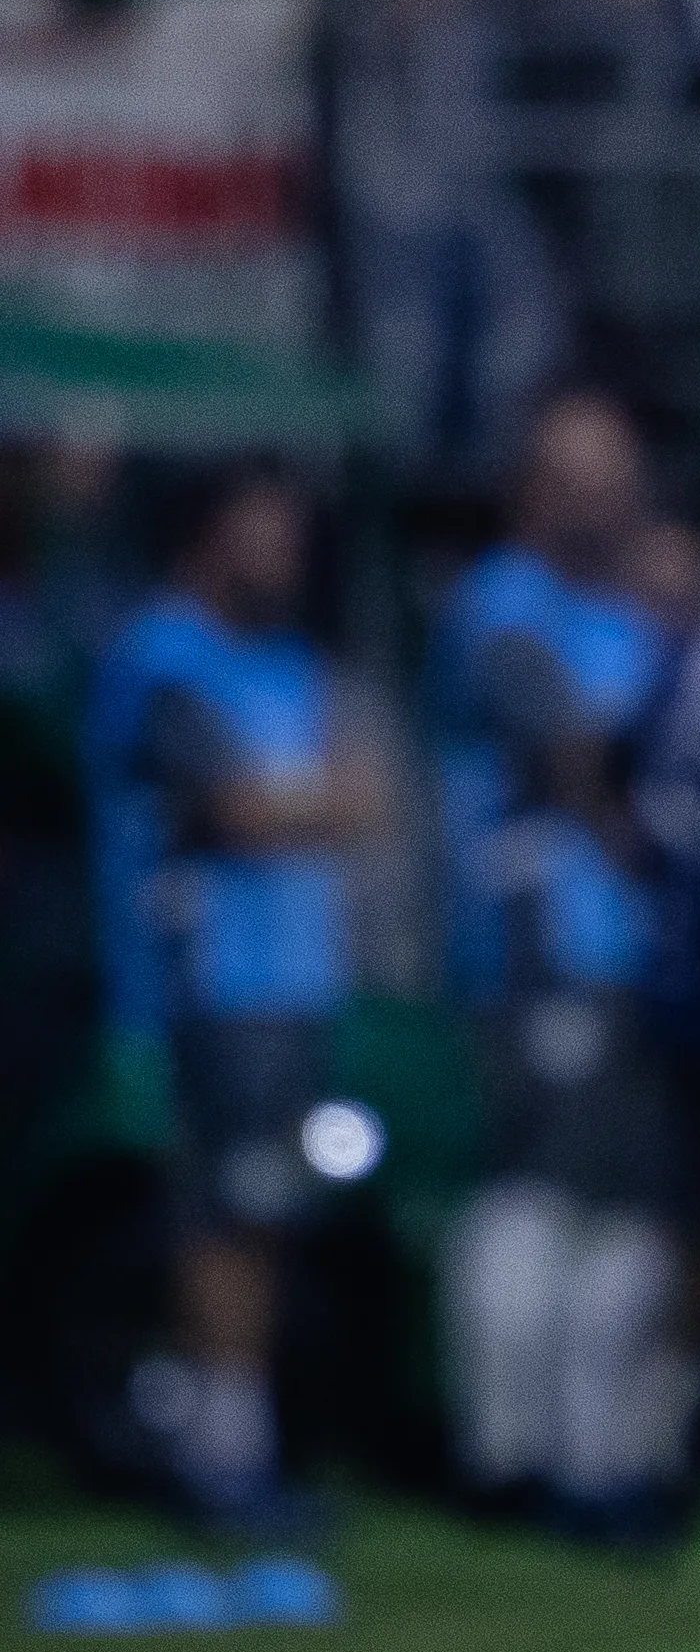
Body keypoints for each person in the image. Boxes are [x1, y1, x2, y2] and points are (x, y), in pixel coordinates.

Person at [81, 464, 383, 1527]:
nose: (286, 554)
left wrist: (306, 803)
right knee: (223, 1215)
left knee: (263, 1218)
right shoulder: (164, 660)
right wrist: (310, 803)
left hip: (291, 978)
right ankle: (217, 1456)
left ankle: (235, 1442)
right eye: (265, 531)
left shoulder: (285, 664)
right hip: (207, 983)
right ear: (207, 537)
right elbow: (243, 811)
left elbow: (358, 796)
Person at [428, 388, 688, 1537]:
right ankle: (514, 1455)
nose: (607, 496)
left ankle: (585, 1452)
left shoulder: (629, 613)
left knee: (612, 1199)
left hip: (627, 950)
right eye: (581, 474)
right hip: (540, 947)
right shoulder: (502, 610)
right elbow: (583, 761)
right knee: (539, 1191)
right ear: (532, 487)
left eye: (618, 471)